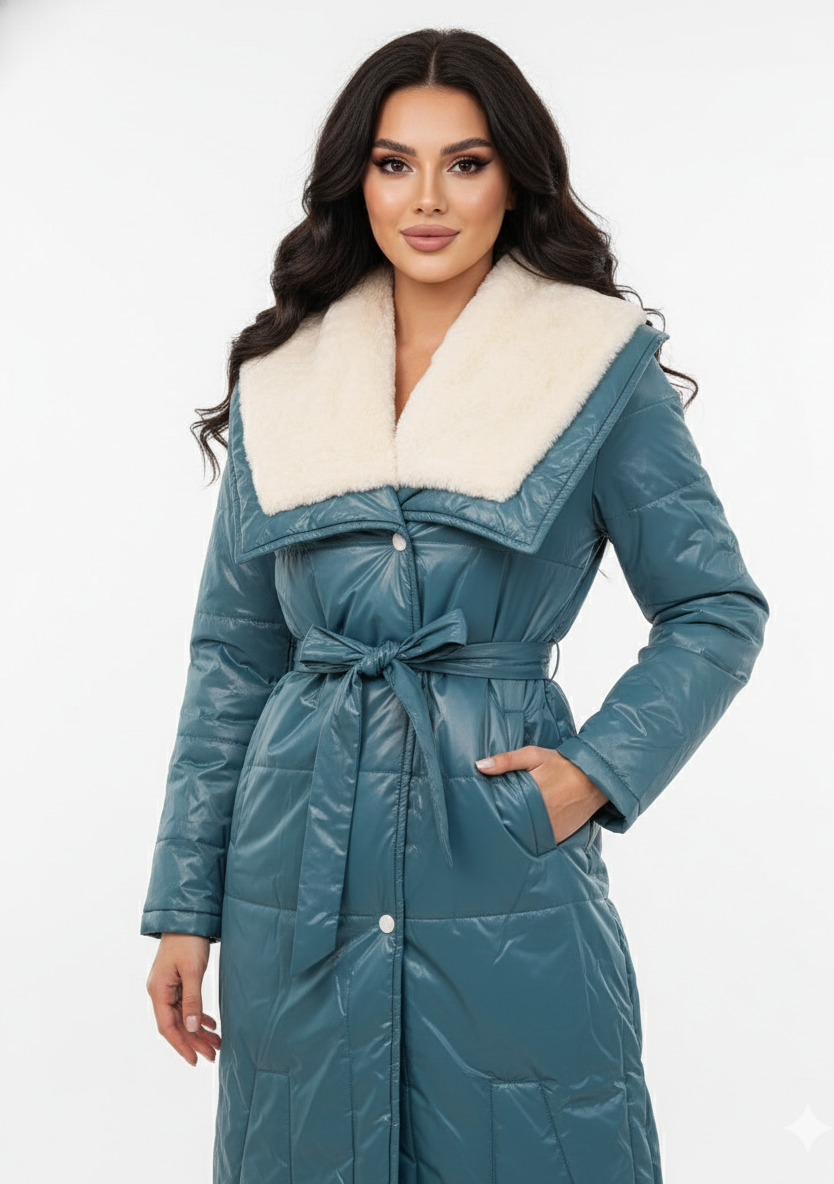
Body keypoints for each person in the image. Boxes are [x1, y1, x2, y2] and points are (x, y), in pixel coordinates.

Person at [141, 27, 769, 1184]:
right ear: (358, 182)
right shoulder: (286, 377)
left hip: (501, 852)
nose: (426, 197)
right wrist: (186, 903)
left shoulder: (594, 369)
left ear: (514, 178)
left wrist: (594, 772)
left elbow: (714, 608)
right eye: (394, 164)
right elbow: (234, 652)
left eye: (465, 163)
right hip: (295, 867)